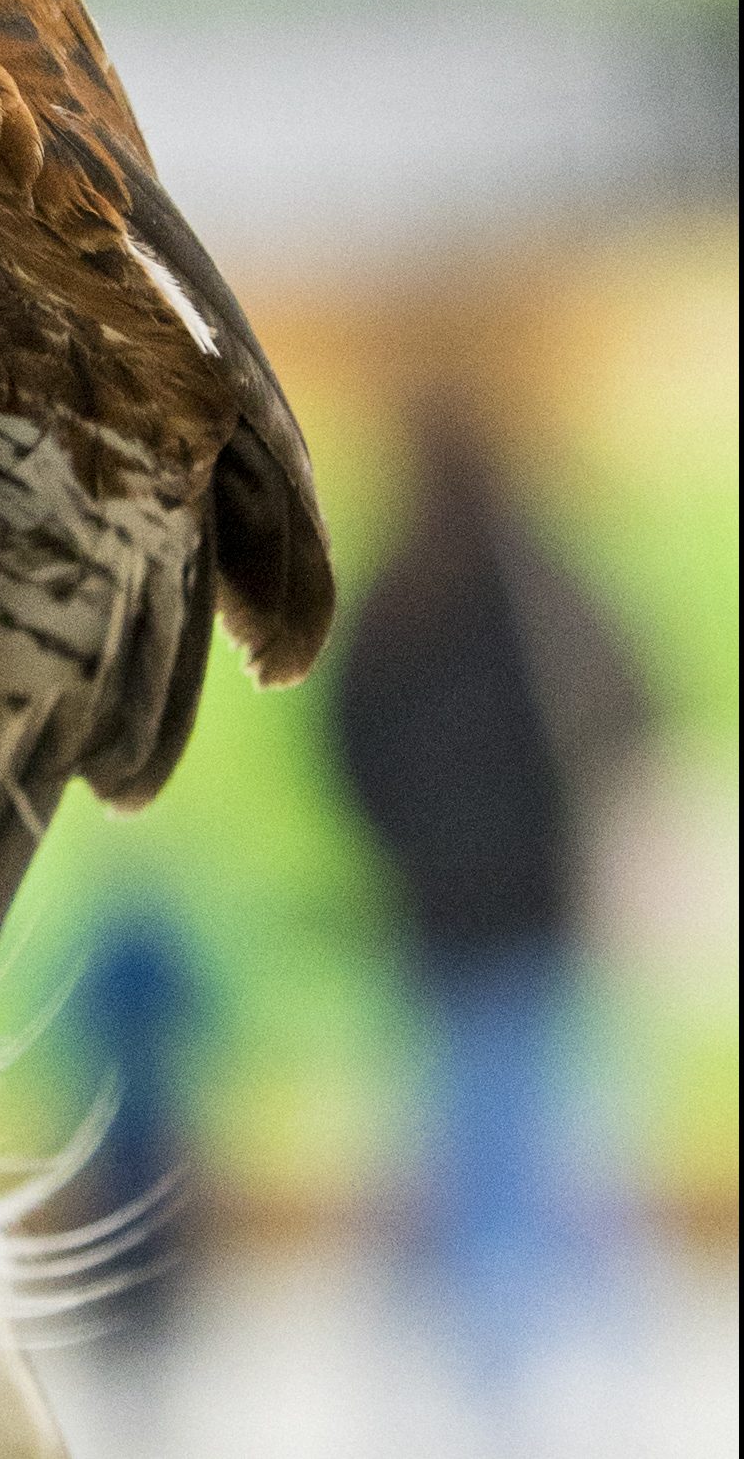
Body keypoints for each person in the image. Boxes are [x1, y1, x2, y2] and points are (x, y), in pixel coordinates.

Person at [326, 401, 654, 1399]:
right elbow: (630, 707)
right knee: (520, 1118)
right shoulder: (531, 588)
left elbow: (345, 745)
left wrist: (407, 847)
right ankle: (519, 1350)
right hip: (514, 910)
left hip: (459, 914)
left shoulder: (411, 599)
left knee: (486, 1120)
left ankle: (510, 1348)